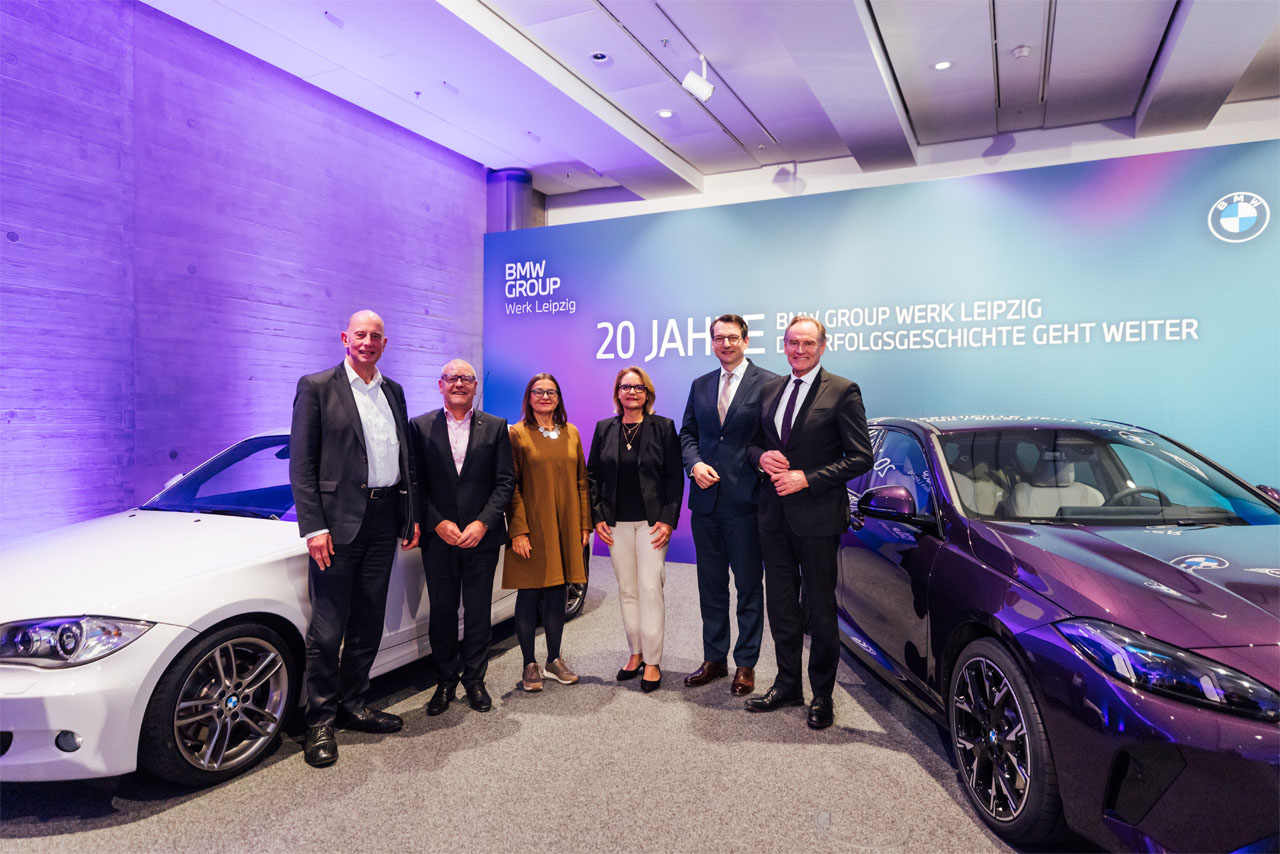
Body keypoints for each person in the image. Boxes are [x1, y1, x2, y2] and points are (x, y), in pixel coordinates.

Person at [289, 310, 420, 768]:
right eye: (360, 335)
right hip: (337, 525)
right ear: (345, 338)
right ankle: (320, 721)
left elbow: (405, 461)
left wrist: (410, 515)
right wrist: (314, 526)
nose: (367, 342)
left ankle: (354, 703)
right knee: (327, 629)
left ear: (386, 343)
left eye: (376, 336)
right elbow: (302, 465)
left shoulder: (394, 392)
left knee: (369, 620)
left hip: (384, 521)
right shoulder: (317, 386)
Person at [745, 315, 872, 729]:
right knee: (781, 607)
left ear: (822, 346)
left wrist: (808, 478)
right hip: (772, 517)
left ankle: (821, 695)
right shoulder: (770, 390)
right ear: (783, 345)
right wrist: (760, 459)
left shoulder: (842, 391)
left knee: (819, 610)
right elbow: (752, 446)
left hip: (817, 519)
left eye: (807, 344)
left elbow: (860, 457)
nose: (798, 350)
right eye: (791, 343)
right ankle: (787, 684)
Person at [679, 315, 778, 696]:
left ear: (746, 340)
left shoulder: (769, 383)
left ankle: (746, 664)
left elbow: (771, 439)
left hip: (748, 503)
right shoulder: (700, 384)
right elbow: (689, 433)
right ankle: (714, 659)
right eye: (719, 338)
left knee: (750, 588)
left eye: (732, 338)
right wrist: (694, 463)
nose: (725, 344)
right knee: (712, 587)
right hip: (705, 504)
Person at [410, 359, 515, 716]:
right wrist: (437, 522)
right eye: (452, 378)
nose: (459, 383)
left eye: (466, 378)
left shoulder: (497, 427)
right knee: (441, 612)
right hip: (439, 539)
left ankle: (475, 679)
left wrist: (483, 523)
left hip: (480, 538)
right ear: (440, 385)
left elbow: (505, 482)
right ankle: (444, 680)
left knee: (477, 612)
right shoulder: (420, 427)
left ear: (474, 387)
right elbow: (415, 485)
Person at [588, 367, 683, 693]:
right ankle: (635, 652)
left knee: (649, 586)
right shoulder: (605, 428)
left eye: (638, 387)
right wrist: (597, 515)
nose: (631, 392)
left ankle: (653, 660)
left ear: (647, 393)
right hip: (616, 524)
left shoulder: (663, 427)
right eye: (625, 387)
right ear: (617, 393)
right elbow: (593, 476)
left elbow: (674, 477)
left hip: (652, 523)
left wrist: (669, 519)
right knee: (627, 589)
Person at [503, 373, 591, 692]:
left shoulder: (572, 433)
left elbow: (582, 482)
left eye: (551, 391)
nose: (544, 396)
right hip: (532, 527)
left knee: (558, 591)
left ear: (558, 398)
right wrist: (519, 531)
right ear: (528, 397)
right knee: (529, 593)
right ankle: (530, 664)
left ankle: (554, 659)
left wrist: (584, 525)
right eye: (538, 391)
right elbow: (510, 487)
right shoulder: (516, 434)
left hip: (566, 526)